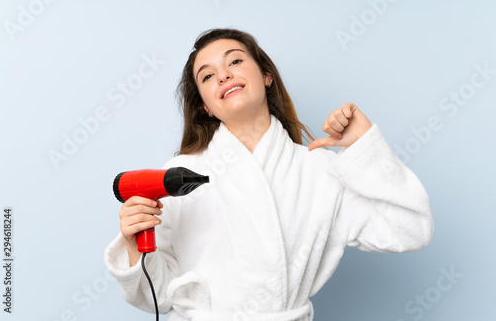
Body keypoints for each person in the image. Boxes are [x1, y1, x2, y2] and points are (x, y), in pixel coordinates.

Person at [104, 28, 434, 321]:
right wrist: (135, 247)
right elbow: (155, 297)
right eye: (207, 76)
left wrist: (364, 149)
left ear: (266, 76)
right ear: (204, 106)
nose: (223, 76)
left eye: (234, 62)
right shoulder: (177, 178)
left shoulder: (319, 170)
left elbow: (411, 229)